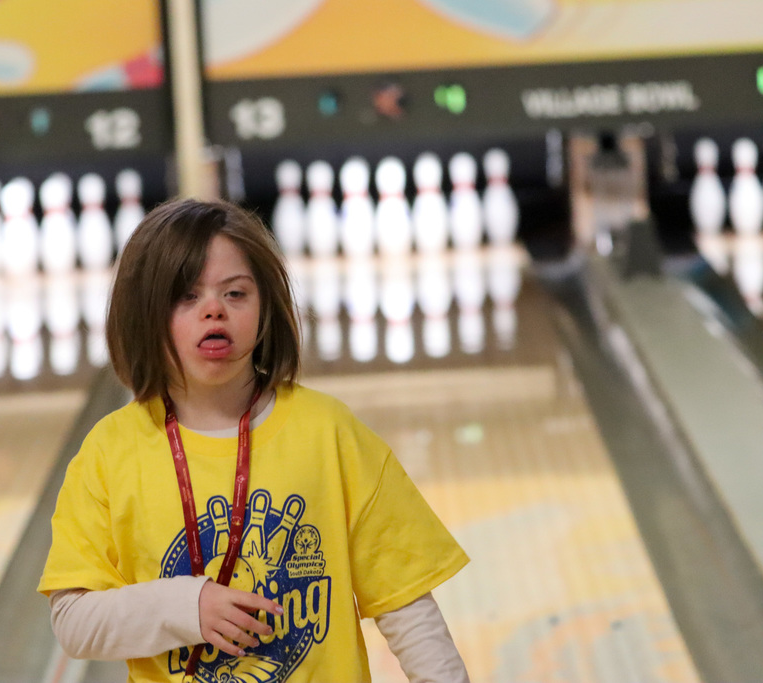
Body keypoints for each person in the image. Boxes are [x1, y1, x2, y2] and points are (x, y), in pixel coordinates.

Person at [38, 198, 470, 682]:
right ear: (144, 315)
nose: (214, 311)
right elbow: (74, 623)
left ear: (266, 308)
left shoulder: (328, 433)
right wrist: (186, 605)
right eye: (186, 297)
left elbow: (407, 607)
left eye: (236, 294)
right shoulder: (109, 452)